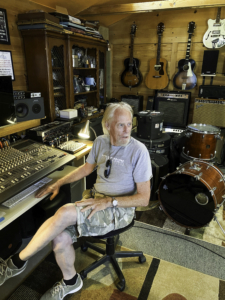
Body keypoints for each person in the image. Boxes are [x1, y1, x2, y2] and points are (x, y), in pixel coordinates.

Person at [0, 102, 152, 300]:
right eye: (120, 125)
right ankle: (71, 281)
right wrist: (58, 182)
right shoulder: (100, 142)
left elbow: (144, 198)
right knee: (59, 235)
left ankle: (16, 263)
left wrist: (109, 202)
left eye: (129, 125)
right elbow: (86, 169)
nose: (126, 131)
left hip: (119, 209)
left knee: (63, 213)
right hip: (96, 199)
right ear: (107, 125)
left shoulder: (139, 151)